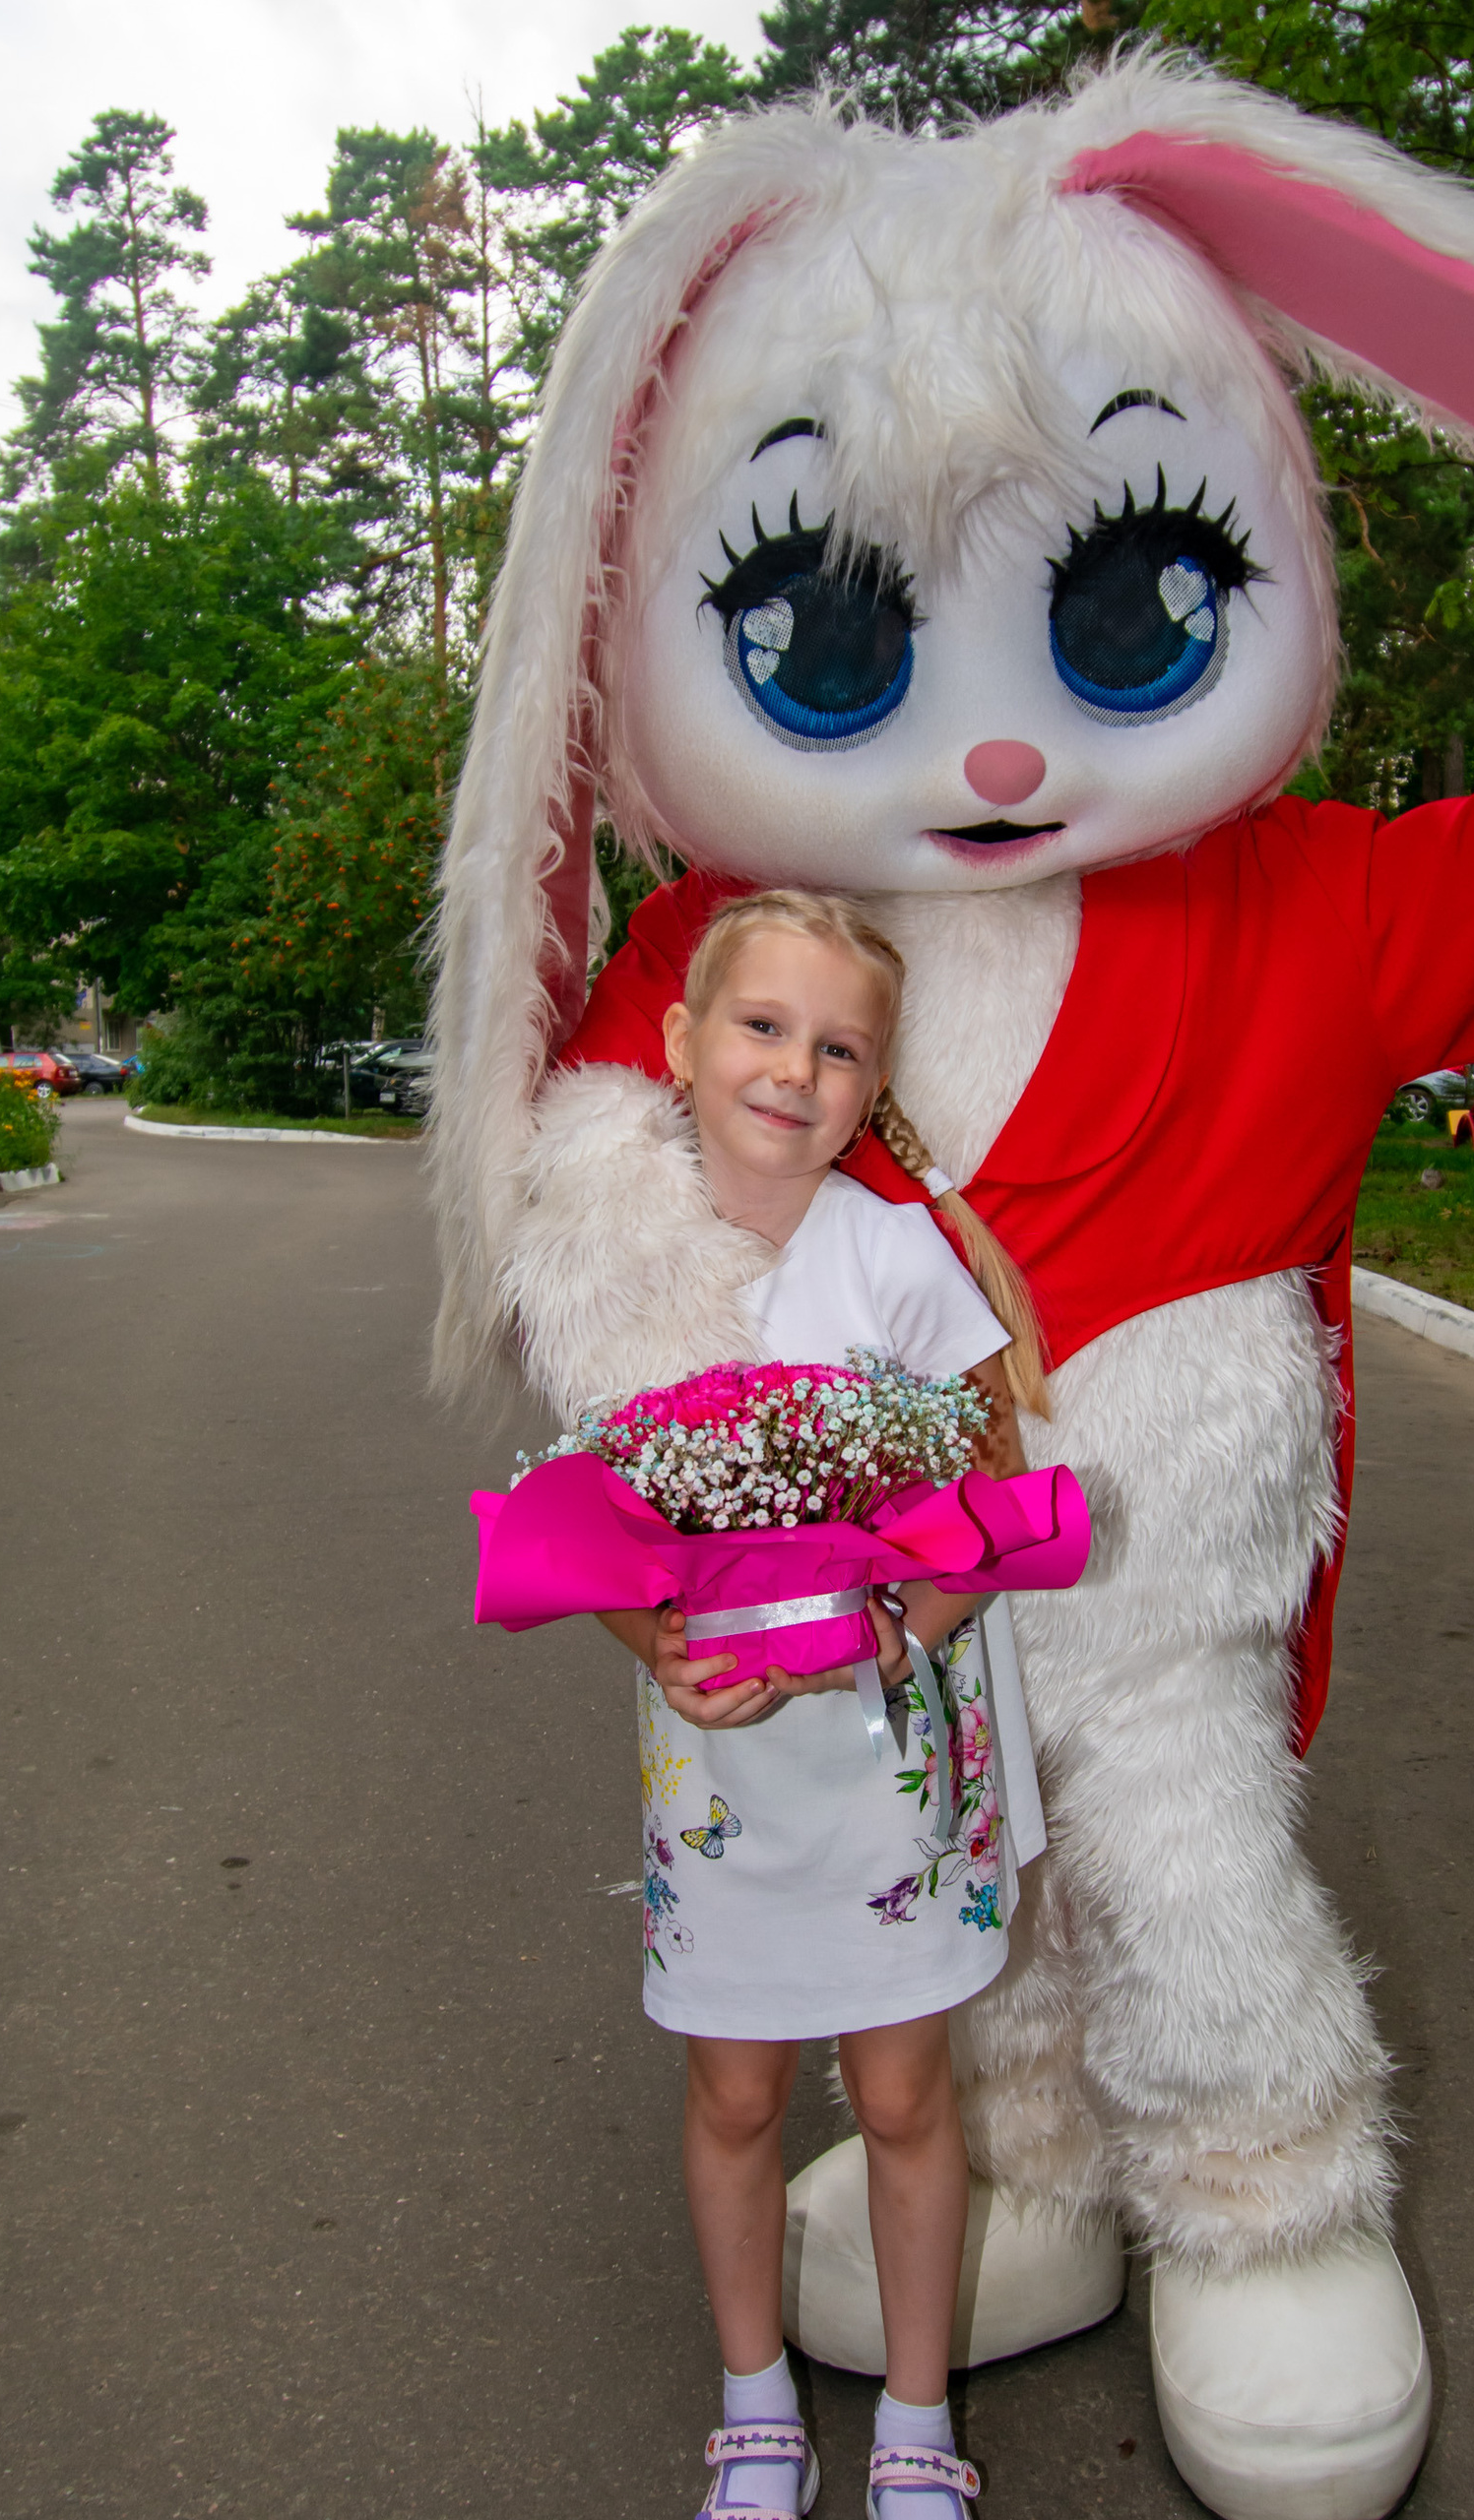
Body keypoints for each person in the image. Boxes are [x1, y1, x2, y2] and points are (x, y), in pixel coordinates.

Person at [589, 888, 1041, 2520]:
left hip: (887, 1755)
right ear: (683, 1042)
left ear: (875, 1087)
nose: (796, 1070)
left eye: (840, 1048)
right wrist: (657, 1650)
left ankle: (918, 2427)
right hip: (718, 1769)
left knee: (908, 2093)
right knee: (735, 2092)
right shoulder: (619, 1265)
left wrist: (880, 1636)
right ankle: (757, 2407)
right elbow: (600, 1528)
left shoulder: (901, 1261)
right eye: (765, 1027)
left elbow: (995, 1515)